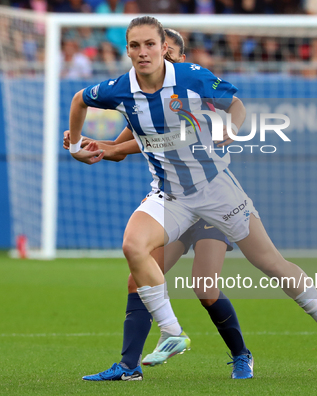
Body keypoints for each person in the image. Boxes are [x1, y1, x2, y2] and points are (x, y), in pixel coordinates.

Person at [68, 15, 317, 381]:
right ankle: (160, 342)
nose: (145, 53)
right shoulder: (126, 94)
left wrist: (231, 127)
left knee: (263, 265)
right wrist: (82, 147)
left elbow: (235, 105)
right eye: (135, 45)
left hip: (215, 193)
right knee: (135, 254)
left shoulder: (192, 80)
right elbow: (112, 138)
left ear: (166, 50)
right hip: (170, 196)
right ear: (127, 49)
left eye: (153, 46)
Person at [65, 28, 254, 381]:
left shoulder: (193, 92)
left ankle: (241, 355)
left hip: (210, 202)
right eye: (144, 49)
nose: (158, 60)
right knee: (137, 279)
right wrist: (91, 145)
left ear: (178, 58)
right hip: (173, 202)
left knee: (205, 287)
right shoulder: (143, 101)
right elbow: (119, 148)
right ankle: (129, 366)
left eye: (168, 55)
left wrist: (98, 147)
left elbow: (147, 142)